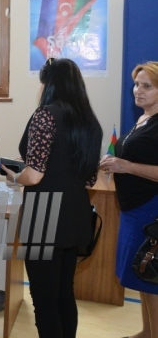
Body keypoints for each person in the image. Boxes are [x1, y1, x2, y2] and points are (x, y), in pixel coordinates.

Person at [2, 58, 102, 338]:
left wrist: (13, 175)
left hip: (45, 217)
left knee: (44, 299)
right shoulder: (90, 123)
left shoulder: (45, 115)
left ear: (50, 85)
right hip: (76, 216)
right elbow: (90, 178)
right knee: (64, 294)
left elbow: (33, 175)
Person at [100, 61, 158, 338]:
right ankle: (148, 331)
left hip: (151, 210)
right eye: (137, 84)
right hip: (134, 211)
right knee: (143, 277)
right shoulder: (143, 118)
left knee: (153, 278)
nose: (138, 90)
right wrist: (113, 162)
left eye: (147, 86)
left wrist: (127, 167)